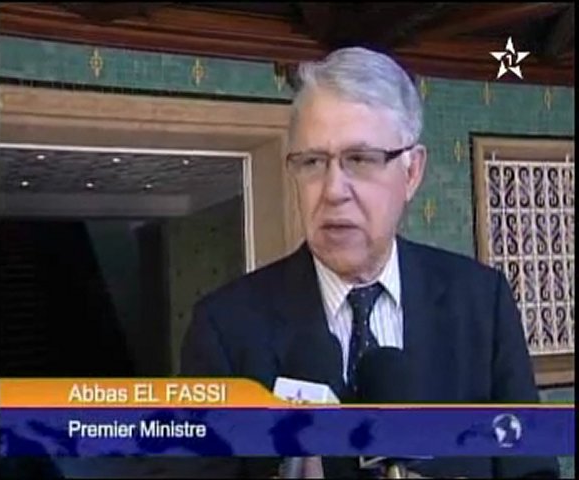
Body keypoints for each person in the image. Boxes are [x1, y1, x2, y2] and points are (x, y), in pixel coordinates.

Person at [180, 47, 560, 478]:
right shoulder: (226, 327)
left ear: (412, 172)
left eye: (360, 159)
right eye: (312, 162)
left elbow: (532, 469)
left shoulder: (480, 301)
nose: (333, 190)